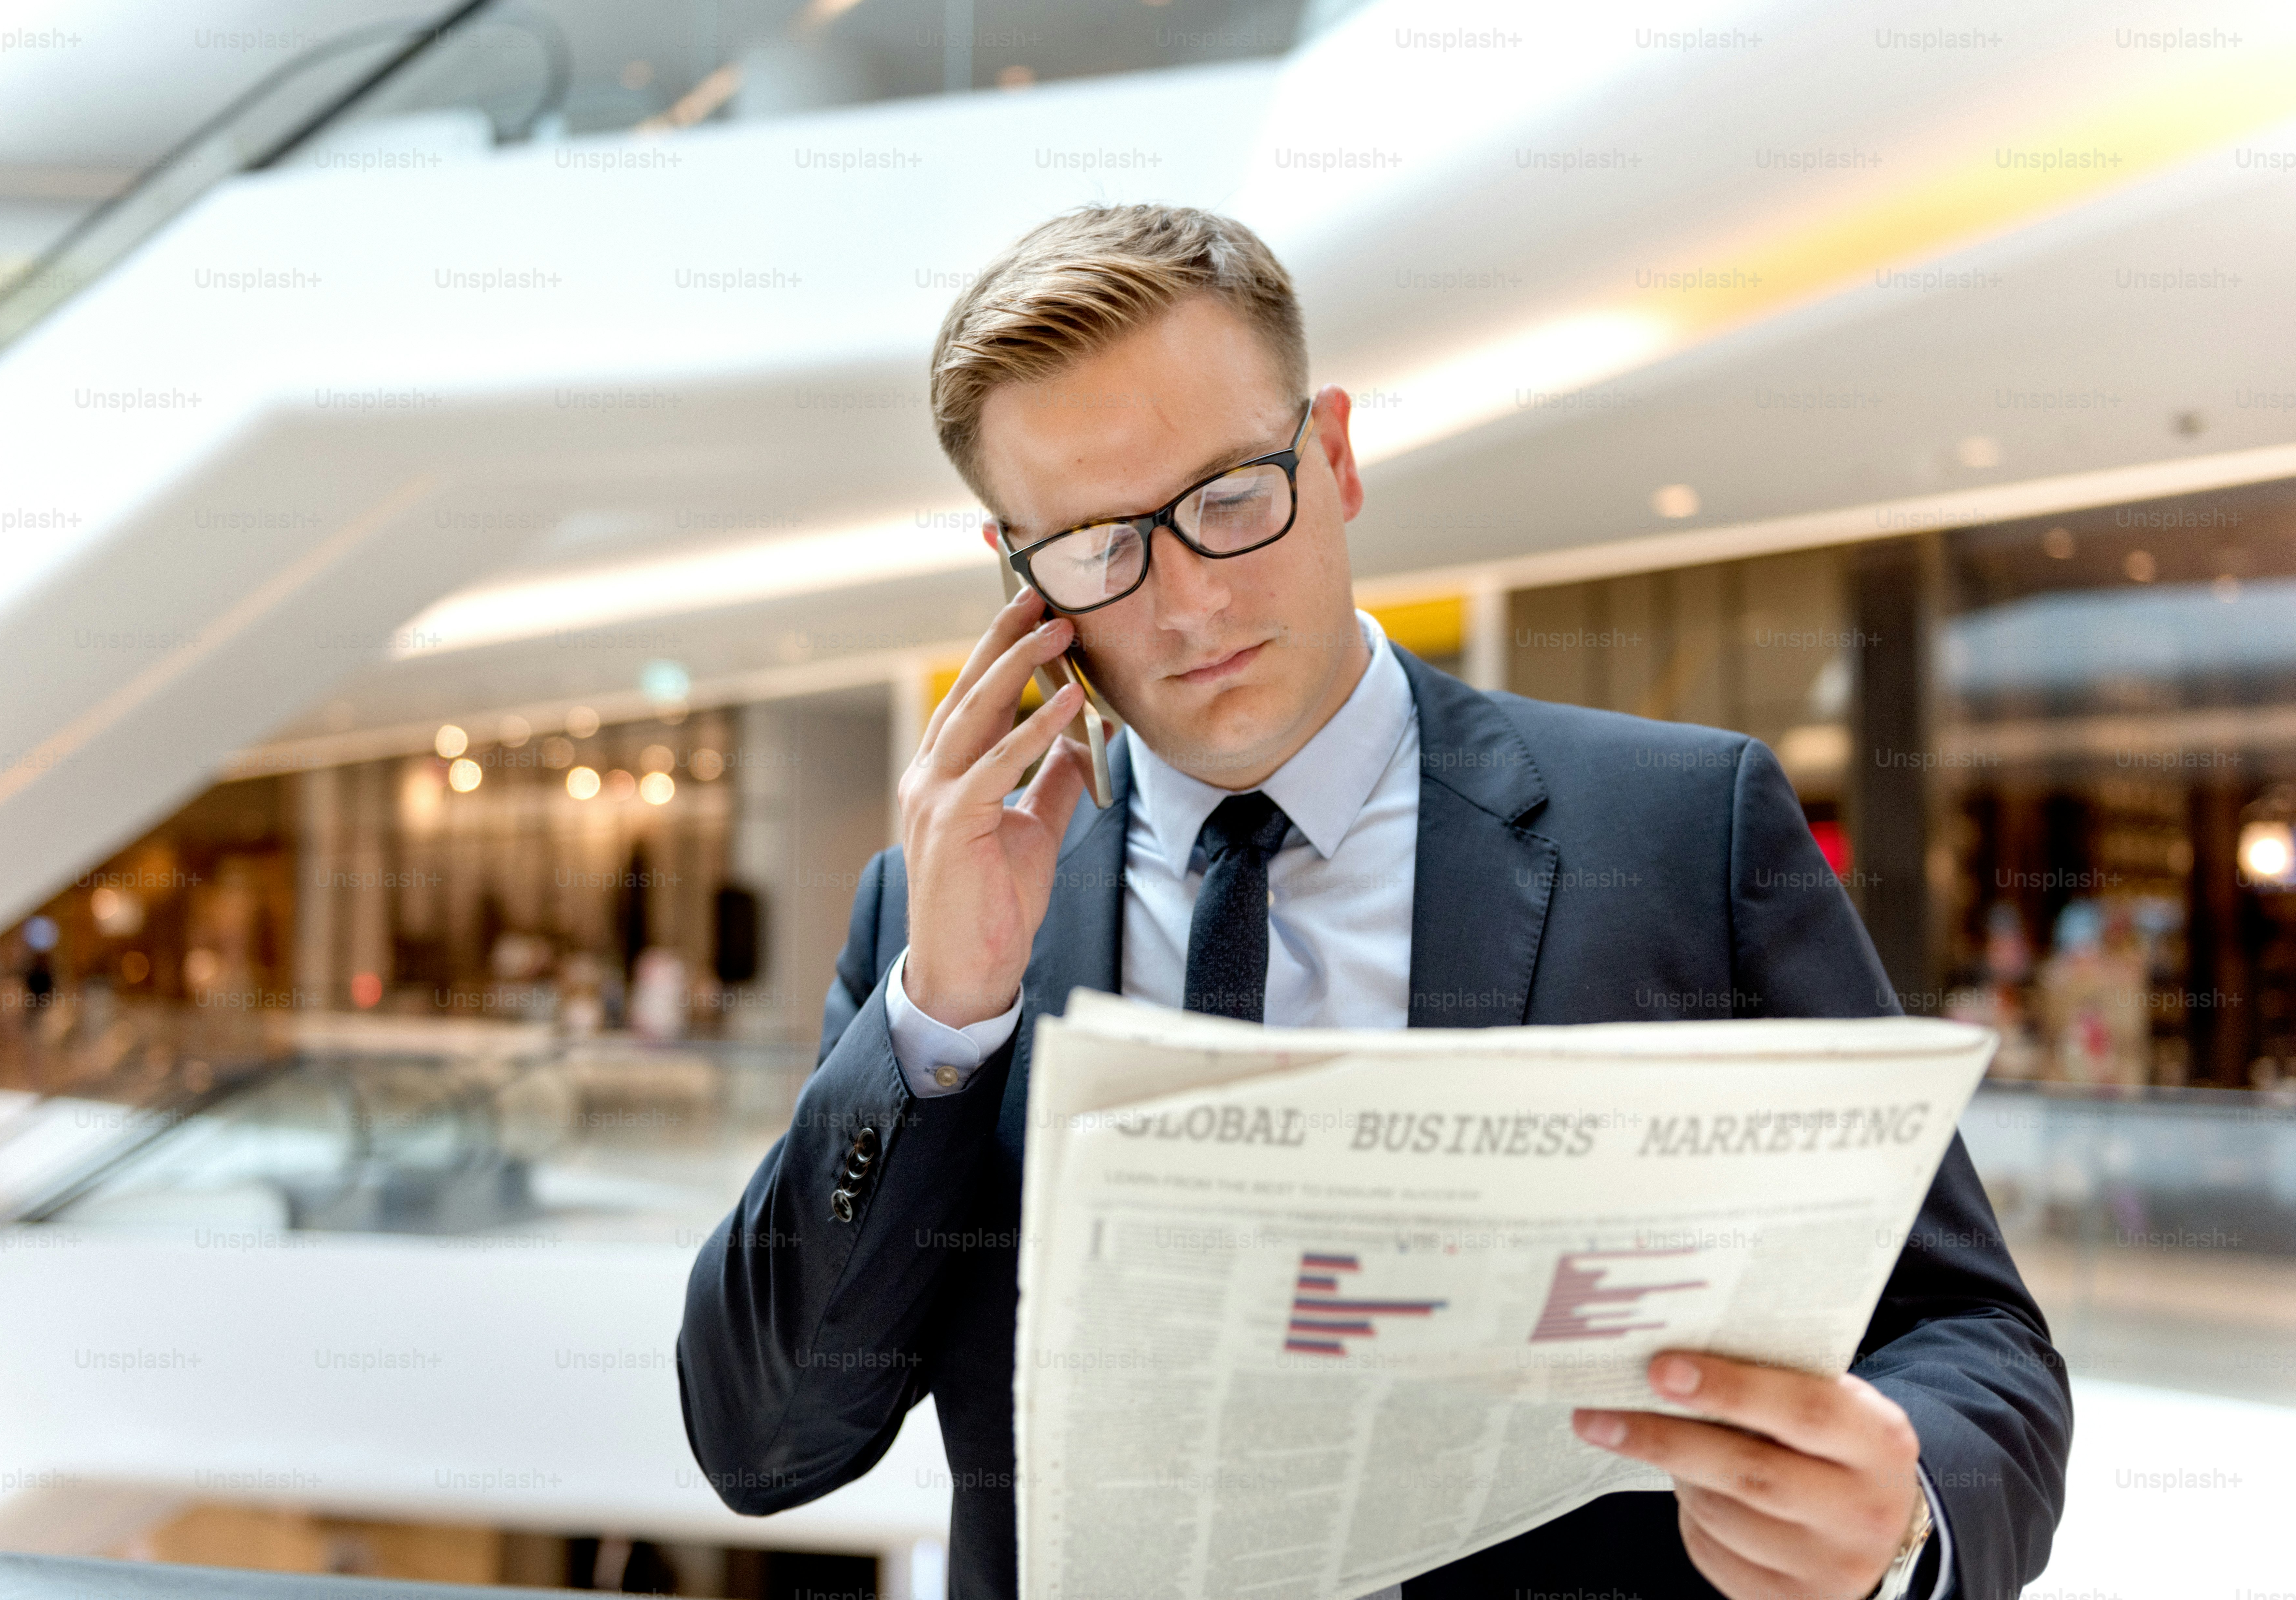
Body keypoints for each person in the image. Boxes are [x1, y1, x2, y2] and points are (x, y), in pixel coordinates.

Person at [677, 206, 2068, 1600]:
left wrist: (1899, 1518)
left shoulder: (1677, 826)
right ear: (1017, 576)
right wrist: (944, 1011)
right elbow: (766, 1444)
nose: (1187, 604)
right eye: (1099, 547)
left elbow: (1967, 1330)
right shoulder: (937, 917)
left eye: (1229, 498)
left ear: (1332, 454)